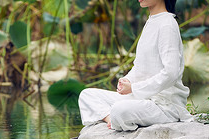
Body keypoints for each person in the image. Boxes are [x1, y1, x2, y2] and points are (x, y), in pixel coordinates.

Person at [78, 0, 193, 131]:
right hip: (142, 98)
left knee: (120, 109)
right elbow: (139, 66)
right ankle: (112, 119)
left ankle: (116, 118)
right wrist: (127, 80)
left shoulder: (167, 24)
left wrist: (134, 88)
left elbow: (170, 73)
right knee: (87, 95)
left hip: (164, 106)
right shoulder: (151, 21)